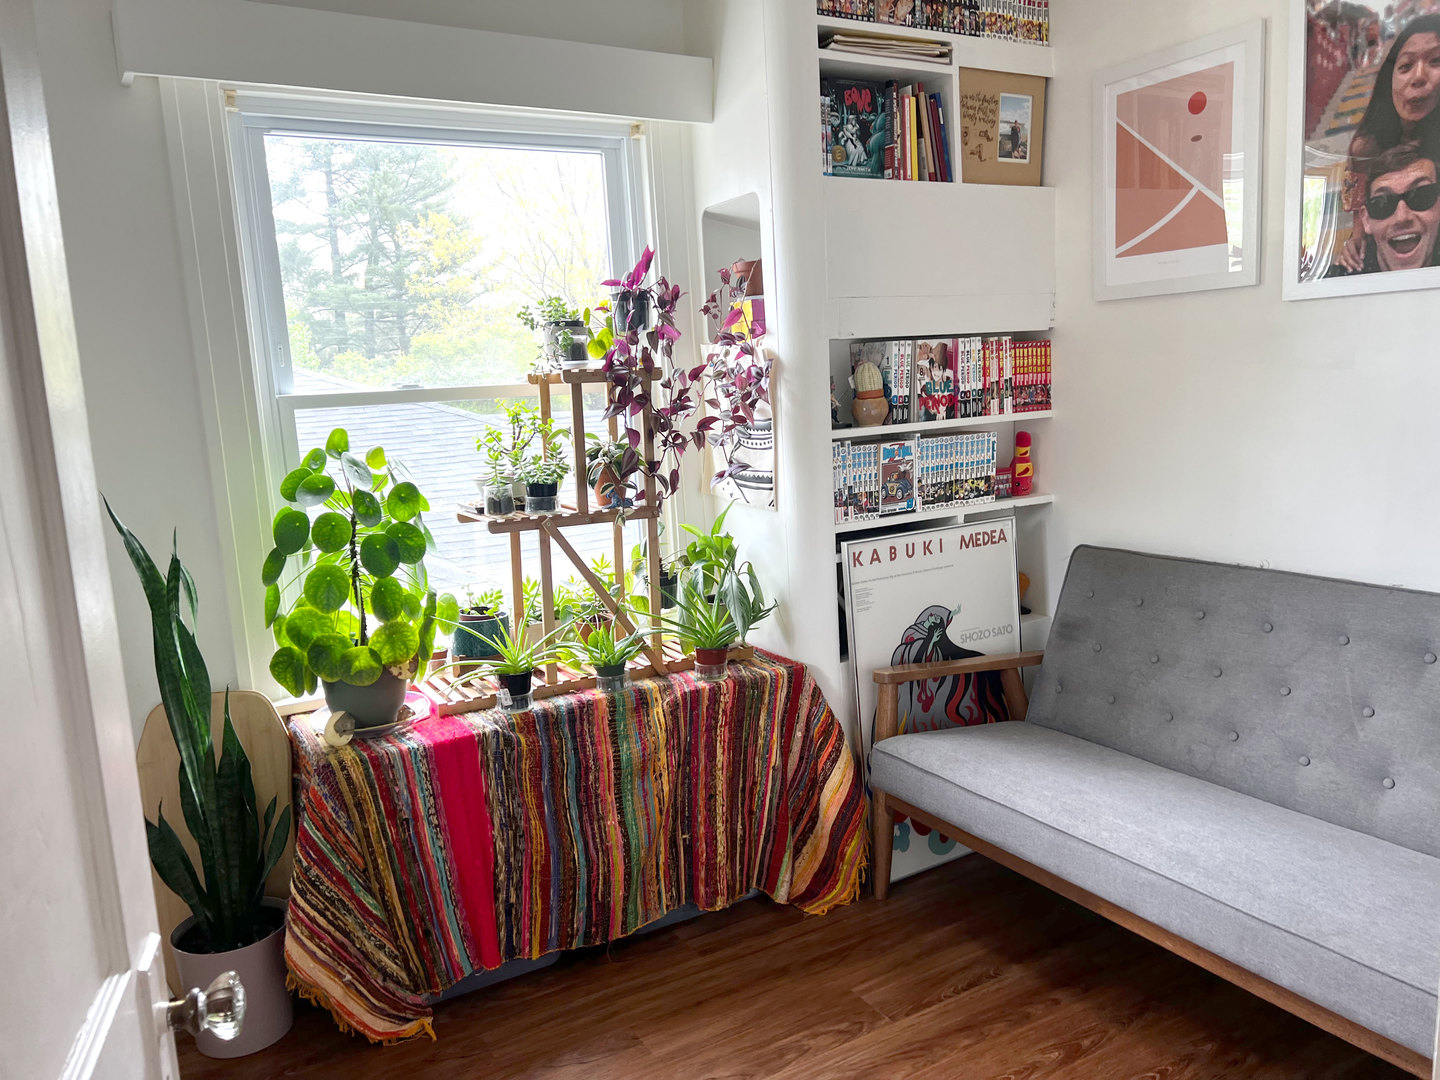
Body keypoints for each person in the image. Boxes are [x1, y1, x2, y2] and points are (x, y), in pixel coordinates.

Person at [1336, 14, 1440, 270]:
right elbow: (1357, 203)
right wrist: (1356, 239)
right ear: (1389, 79)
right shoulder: (1365, 145)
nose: (1418, 77)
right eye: (1405, 66)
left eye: (1435, 61)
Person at [1328, 142, 1440, 274]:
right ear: (1366, 219)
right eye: (1382, 203)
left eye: (1421, 196)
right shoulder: (1338, 285)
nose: (1402, 217)